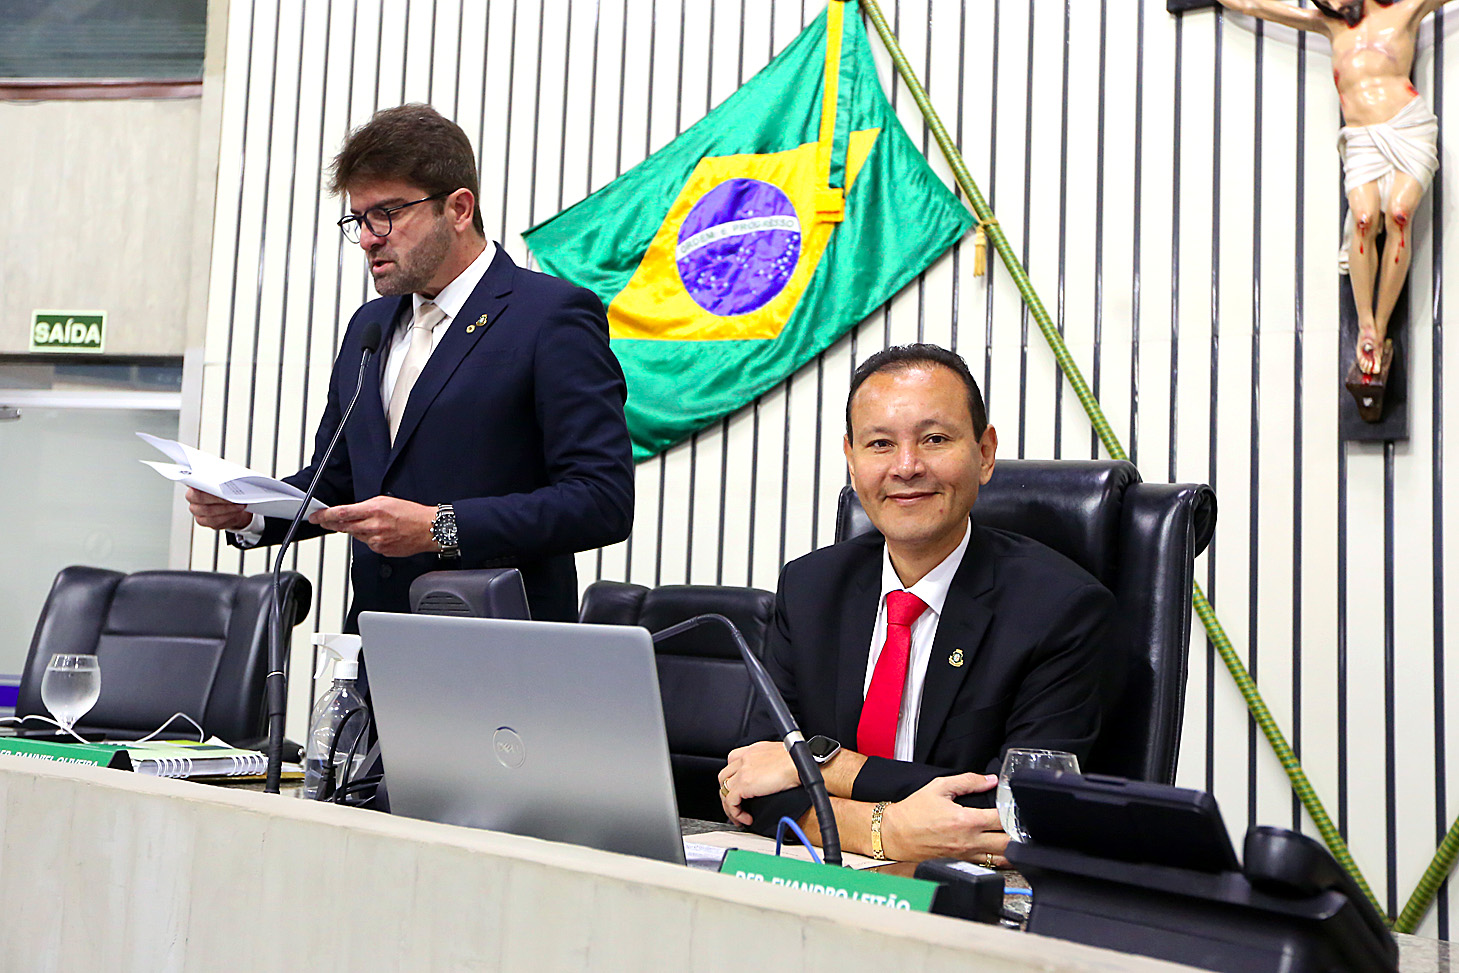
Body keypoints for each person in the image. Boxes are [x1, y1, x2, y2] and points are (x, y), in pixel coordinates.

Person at [187, 104, 634, 624]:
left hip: (500, 649)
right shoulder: (369, 327)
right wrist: (252, 512)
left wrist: (440, 527)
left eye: (388, 214)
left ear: (459, 209)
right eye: (359, 219)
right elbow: (339, 481)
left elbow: (601, 500)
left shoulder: (549, 316)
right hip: (376, 642)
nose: (370, 237)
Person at [718, 344, 1118, 864]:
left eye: (934, 439)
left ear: (985, 452)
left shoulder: (1064, 609)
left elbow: (1018, 807)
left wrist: (826, 768)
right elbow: (752, 781)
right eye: (880, 444)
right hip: (820, 886)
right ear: (852, 458)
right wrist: (886, 831)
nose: (906, 467)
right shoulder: (811, 586)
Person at [1214, 0, 1454, 377]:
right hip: (1360, 139)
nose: (1334, 3)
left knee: (1399, 214)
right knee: (1362, 219)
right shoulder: (1329, 26)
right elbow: (1253, 6)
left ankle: (1384, 322)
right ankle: (1367, 327)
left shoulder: (1405, 11)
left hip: (1408, 129)